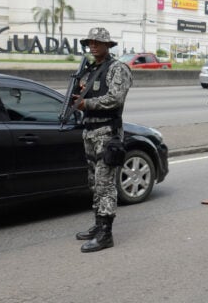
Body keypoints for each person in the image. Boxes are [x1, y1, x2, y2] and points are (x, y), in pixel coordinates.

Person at [73, 27, 133, 253]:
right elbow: (83, 96)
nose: (94, 45)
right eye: (91, 42)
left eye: (98, 42)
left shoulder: (118, 69)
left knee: (105, 183)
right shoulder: (90, 70)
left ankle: (106, 234)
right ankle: (98, 225)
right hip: (89, 131)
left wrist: (85, 104)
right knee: (94, 182)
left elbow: (115, 98)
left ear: (108, 45)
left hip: (107, 133)